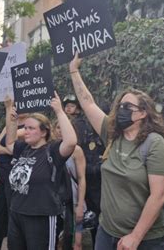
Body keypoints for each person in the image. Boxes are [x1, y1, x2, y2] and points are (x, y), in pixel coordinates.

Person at [69, 53, 164, 250]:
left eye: (128, 106)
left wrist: (135, 236)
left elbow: (159, 195)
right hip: (106, 234)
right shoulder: (112, 133)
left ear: (142, 113)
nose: (121, 110)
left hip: (143, 240)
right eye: (120, 106)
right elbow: (88, 103)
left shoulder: (154, 143)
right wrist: (74, 70)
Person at [4, 93, 77, 250]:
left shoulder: (52, 150)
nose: (26, 131)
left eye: (31, 128)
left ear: (44, 132)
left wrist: (59, 111)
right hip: (17, 212)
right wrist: (12, 119)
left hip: (41, 216)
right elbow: (9, 142)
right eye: (25, 128)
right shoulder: (24, 148)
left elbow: (71, 142)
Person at [63, 94, 104, 248]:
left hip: (89, 178)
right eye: (66, 106)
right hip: (79, 175)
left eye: (72, 105)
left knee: (90, 215)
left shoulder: (83, 125)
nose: (68, 108)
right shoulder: (70, 123)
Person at [0, 114, 28, 250]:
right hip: (4, 176)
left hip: (18, 178)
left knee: (14, 219)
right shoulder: (9, 124)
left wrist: (8, 149)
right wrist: (9, 151)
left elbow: (12, 139)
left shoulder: (30, 124)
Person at [53, 121, 87, 250]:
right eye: (58, 127)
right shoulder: (50, 147)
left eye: (64, 128)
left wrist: (80, 204)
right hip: (54, 200)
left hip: (72, 199)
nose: (61, 131)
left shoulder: (76, 150)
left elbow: (81, 178)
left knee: (74, 240)